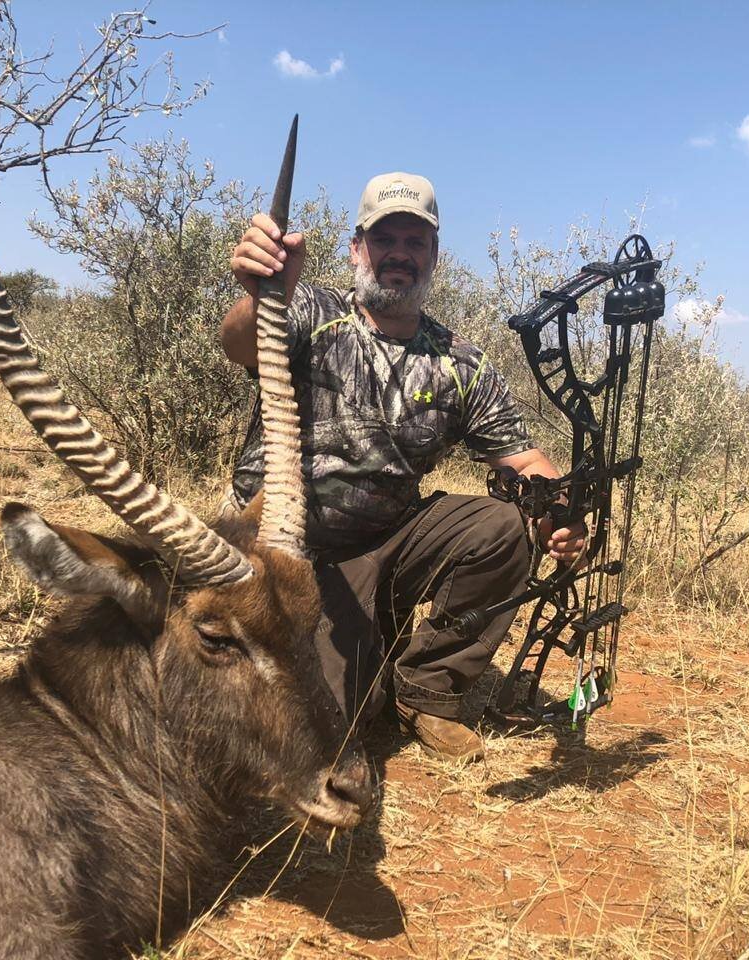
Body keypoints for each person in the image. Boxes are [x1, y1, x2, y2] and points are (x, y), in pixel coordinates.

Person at [221, 172, 584, 761]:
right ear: (356, 248)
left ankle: (428, 690)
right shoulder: (309, 309)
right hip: (285, 554)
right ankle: (367, 653)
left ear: (434, 255)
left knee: (504, 524)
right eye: (384, 238)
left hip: (385, 542)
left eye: (415, 242)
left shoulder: (459, 362)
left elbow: (525, 459)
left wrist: (562, 513)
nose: (399, 254)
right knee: (313, 725)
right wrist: (264, 292)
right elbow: (239, 342)